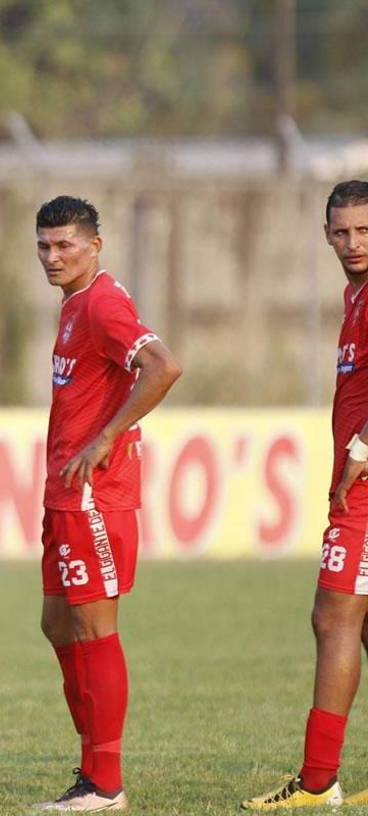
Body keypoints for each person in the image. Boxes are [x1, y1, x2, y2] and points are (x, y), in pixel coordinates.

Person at [33, 196, 182, 812]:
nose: (51, 256)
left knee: (94, 628)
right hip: (66, 489)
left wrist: (105, 437)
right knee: (56, 623)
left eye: (65, 244)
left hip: (96, 492)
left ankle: (105, 781)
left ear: (95, 245)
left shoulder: (102, 303)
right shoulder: (74, 304)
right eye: (43, 245)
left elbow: (164, 367)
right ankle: (93, 762)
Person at [243, 180, 368, 810]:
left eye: (365, 231)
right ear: (325, 234)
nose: (353, 243)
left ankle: (319, 780)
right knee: (363, 625)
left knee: (333, 616)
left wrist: (362, 452)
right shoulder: (356, 295)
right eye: (342, 231)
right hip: (357, 481)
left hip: (367, 488)